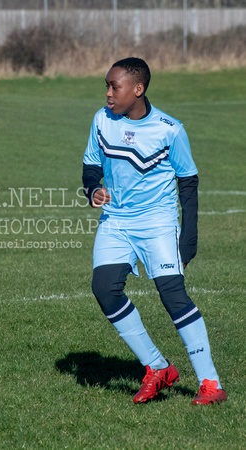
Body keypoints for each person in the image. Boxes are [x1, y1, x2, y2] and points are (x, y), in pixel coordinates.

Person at [82, 57, 227, 405]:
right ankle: (158, 368)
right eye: (106, 85)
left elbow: (188, 183)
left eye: (114, 86)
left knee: (173, 296)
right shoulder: (102, 121)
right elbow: (90, 167)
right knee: (104, 289)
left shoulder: (170, 129)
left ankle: (211, 385)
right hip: (115, 221)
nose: (107, 93)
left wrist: (188, 237)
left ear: (138, 89)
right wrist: (93, 190)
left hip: (158, 222)